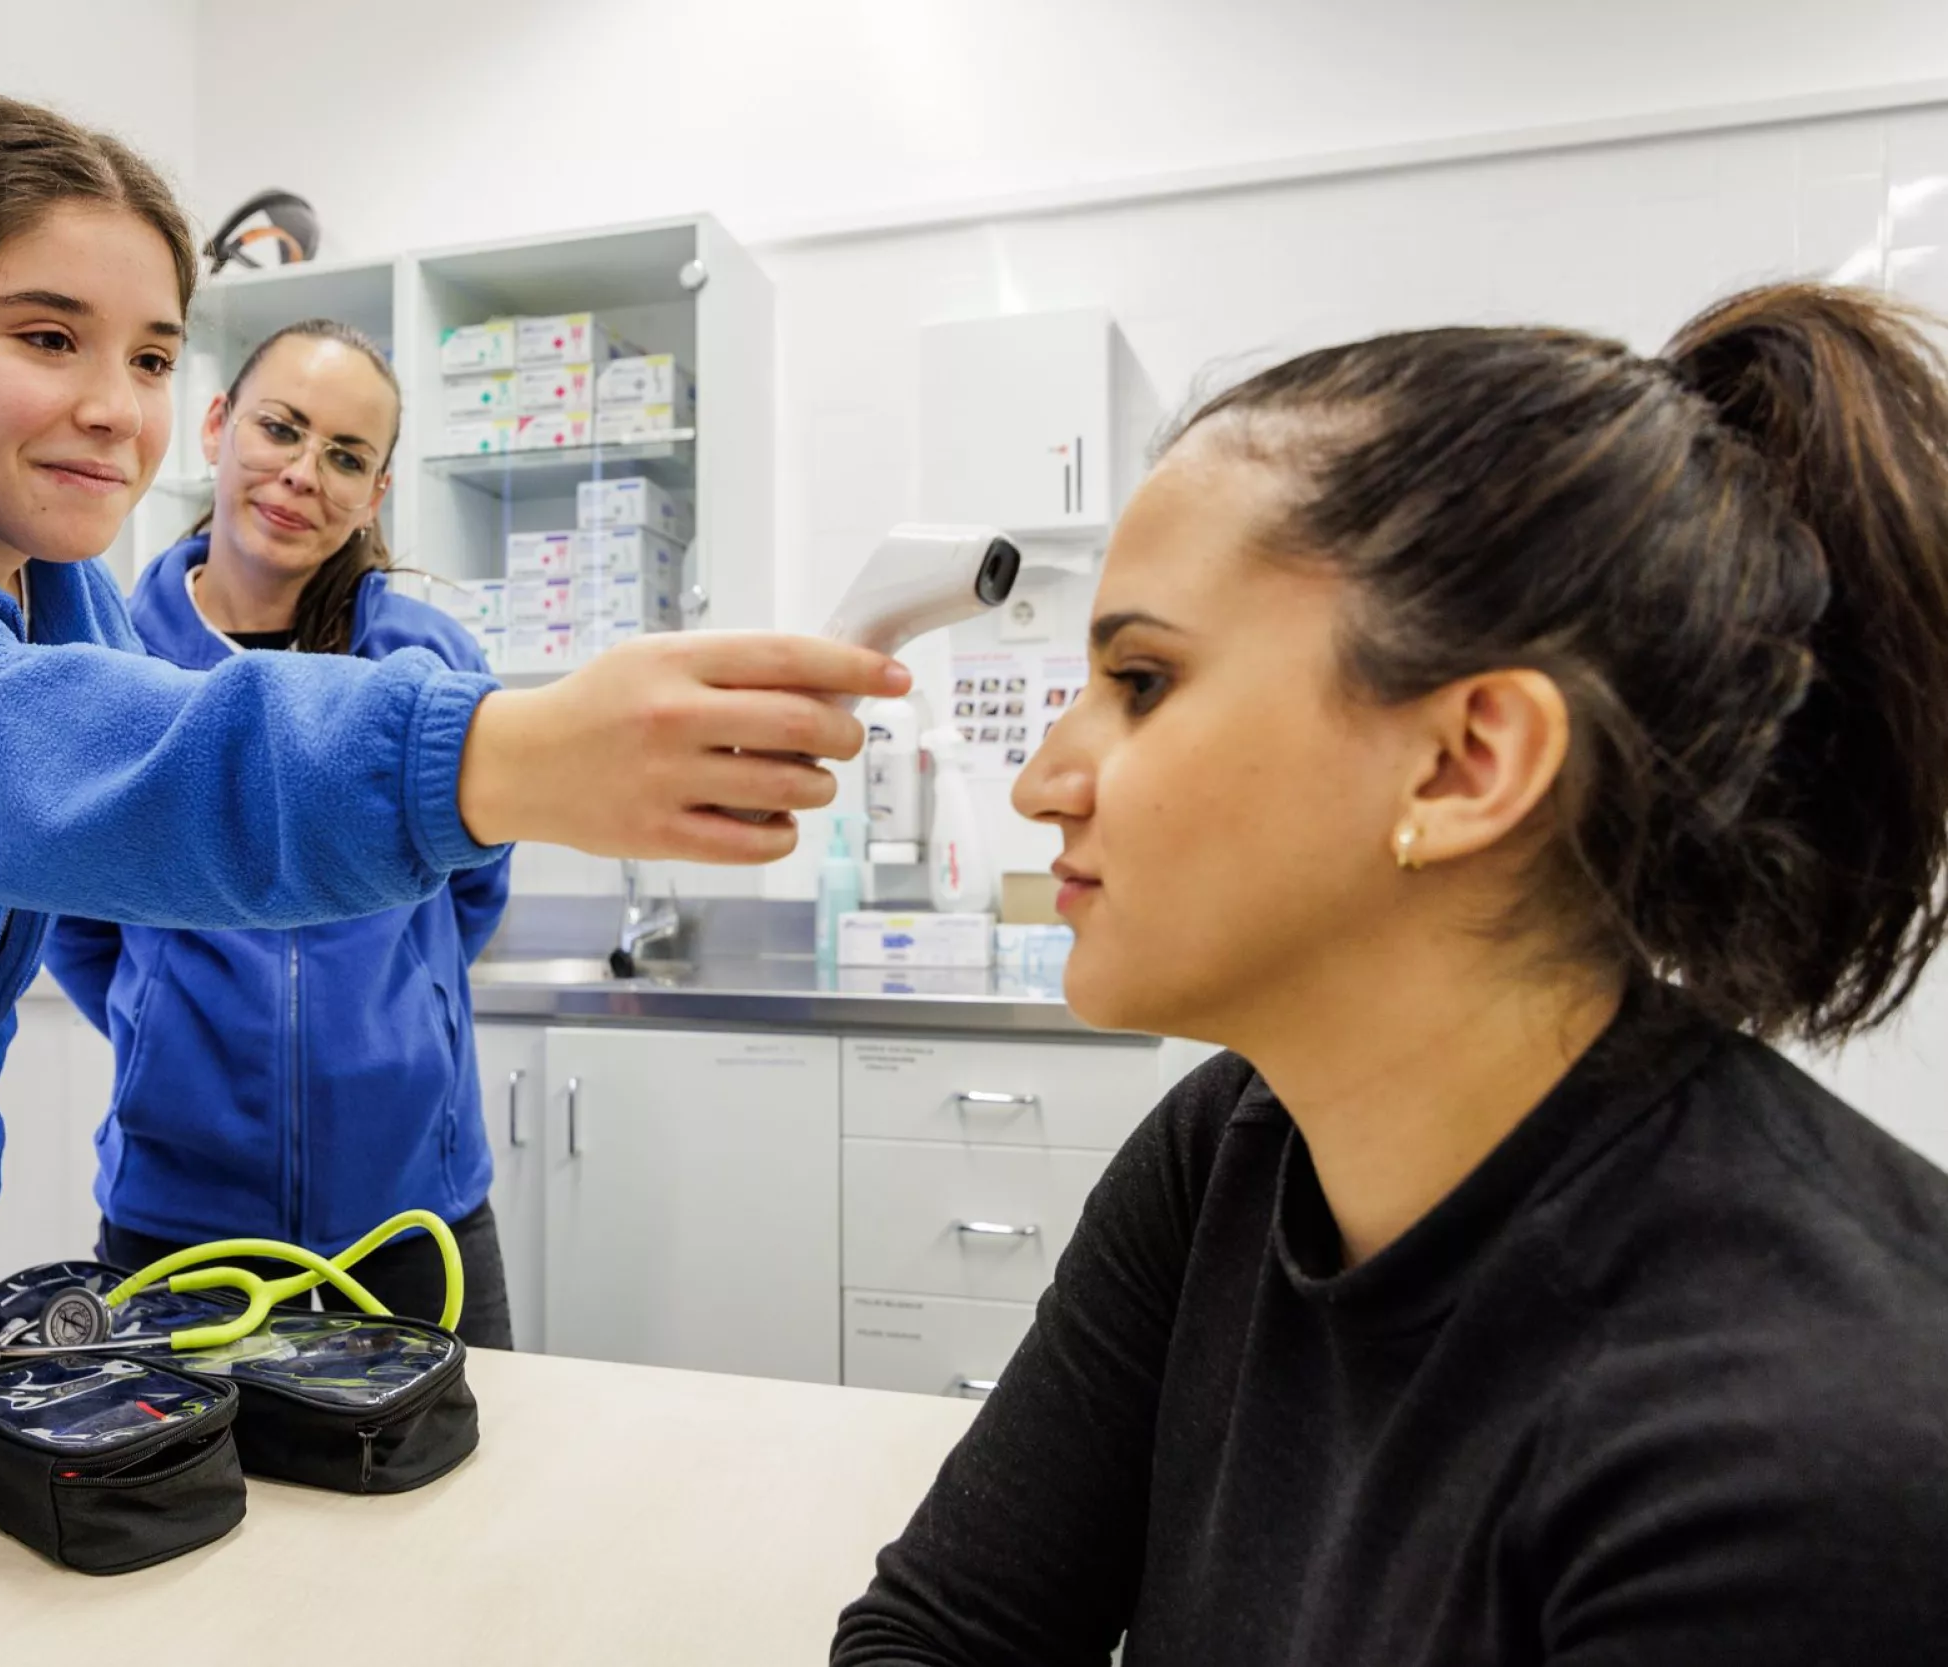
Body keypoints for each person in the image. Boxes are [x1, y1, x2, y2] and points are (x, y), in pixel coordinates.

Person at [0, 94, 905, 1516]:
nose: (110, 406)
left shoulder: (51, 603)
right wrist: (493, 757)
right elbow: (35, 764)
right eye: (45, 337)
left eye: (146, 355)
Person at [833, 283, 1948, 1664]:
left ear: (1465, 760)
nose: (1050, 779)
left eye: (1143, 679)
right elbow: (944, 1630)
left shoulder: (1818, 1444)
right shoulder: (1235, 1146)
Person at [45, 318, 517, 1344]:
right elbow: (74, 919)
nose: (303, 475)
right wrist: (161, 1020)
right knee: (183, 1493)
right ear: (217, 426)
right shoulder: (119, 662)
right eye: (280, 429)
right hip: (178, 1213)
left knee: (456, 1490)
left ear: (375, 492)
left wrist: (395, 1011)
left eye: (346, 456)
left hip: (412, 1206)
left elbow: (473, 885)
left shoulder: (428, 662)